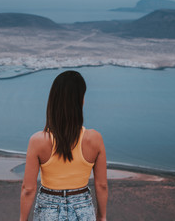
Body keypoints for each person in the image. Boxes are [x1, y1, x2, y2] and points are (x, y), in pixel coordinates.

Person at [19, 70, 108, 221]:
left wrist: (22, 219)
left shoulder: (38, 140)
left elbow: (28, 189)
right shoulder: (94, 138)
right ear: (81, 100)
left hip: (48, 209)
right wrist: (102, 216)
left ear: (53, 100)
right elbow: (102, 185)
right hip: (83, 208)